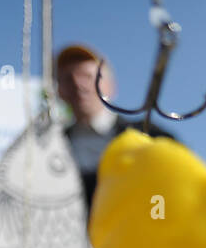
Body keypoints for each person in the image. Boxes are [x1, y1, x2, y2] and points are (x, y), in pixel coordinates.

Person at [55, 44, 173, 211]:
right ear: (59, 90)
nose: (78, 84)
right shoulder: (50, 146)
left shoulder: (154, 137)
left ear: (111, 86)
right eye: (68, 78)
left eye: (87, 76)